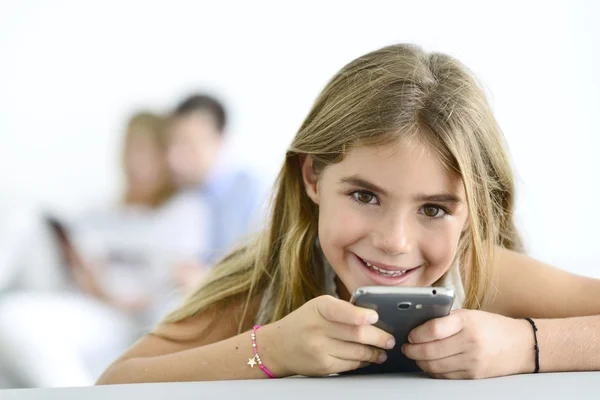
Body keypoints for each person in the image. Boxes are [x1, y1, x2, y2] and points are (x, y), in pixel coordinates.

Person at [97, 44, 600, 384]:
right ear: (313, 177)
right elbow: (115, 382)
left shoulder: (477, 274)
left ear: (471, 214)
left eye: (433, 209)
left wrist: (527, 345)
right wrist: (269, 349)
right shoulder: (267, 280)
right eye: (364, 196)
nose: (394, 241)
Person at [0, 111, 208, 388]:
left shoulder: (182, 212)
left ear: (162, 157)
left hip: (124, 315)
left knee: (12, 321)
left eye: (143, 151)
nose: (134, 161)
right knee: (22, 217)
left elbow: (180, 281)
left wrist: (117, 295)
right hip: (78, 290)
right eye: (129, 149)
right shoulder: (102, 210)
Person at [166, 94, 266, 268]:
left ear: (218, 140)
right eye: (173, 143)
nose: (175, 156)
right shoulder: (187, 194)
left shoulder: (253, 192)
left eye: (187, 143)